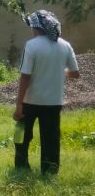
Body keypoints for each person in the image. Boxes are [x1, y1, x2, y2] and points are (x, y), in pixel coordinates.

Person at [13, 10, 80, 174]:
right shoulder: (65, 45)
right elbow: (75, 73)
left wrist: (18, 105)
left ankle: (21, 166)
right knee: (51, 138)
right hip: (53, 102)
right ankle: (50, 170)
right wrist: (60, 71)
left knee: (22, 135)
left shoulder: (31, 45)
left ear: (35, 27)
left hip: (30, 100)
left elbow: (25, 76)